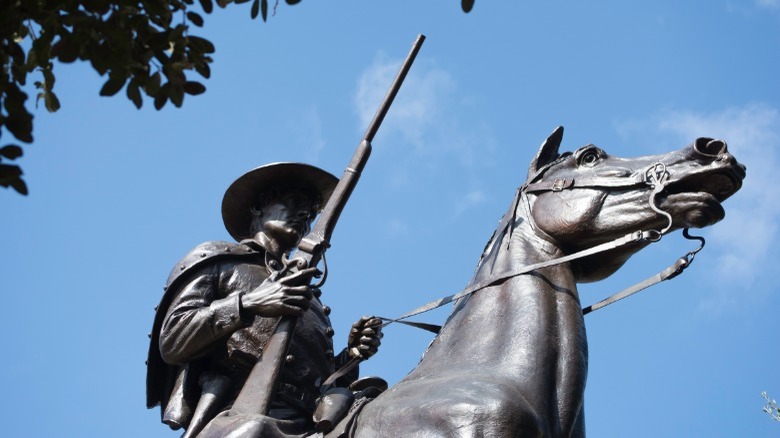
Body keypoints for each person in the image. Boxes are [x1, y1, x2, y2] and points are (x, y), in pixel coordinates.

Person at [146, 163, 383, 437]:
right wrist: (247, 304)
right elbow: (173, 341)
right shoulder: (219, 261)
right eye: (294, 202)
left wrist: (351, 356)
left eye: (310, 212)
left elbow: (311, 379)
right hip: (239, 414)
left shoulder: (311, 297)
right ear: (259, 206)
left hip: (312, 419)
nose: (305, 215)